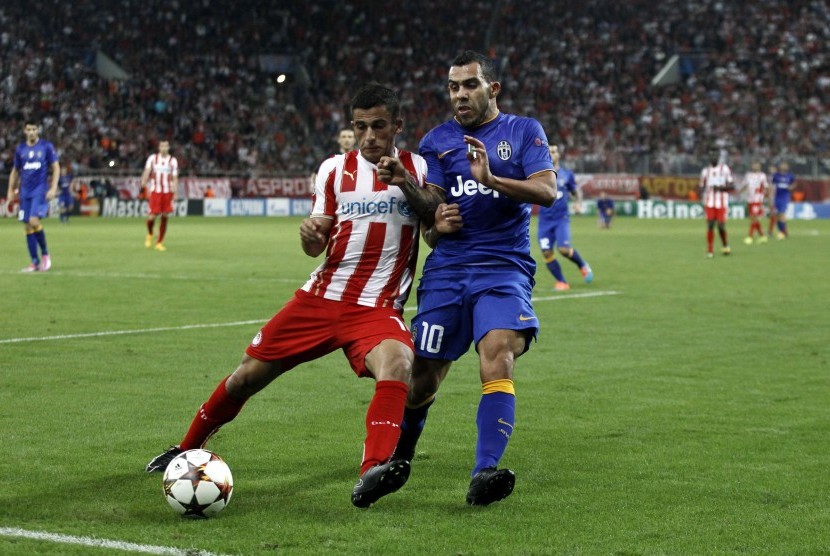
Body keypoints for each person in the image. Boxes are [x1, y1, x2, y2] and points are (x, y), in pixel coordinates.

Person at [147, 83, 449, 509]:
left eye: (378, 126)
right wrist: (309, 235)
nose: (368, 136)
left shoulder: (419, 168)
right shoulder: (332, 170)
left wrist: (402, 183)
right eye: (360, 127)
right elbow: (315, 242)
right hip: (321, 299)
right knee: (247, 376)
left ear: (397, 126)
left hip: (377, 307)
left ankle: (373, 472)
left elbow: (434, 220)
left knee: (399, 364)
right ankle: (184, 448)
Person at [392, 50, 556, 506]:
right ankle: (400, 459)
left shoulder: (523, 131)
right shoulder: (437, 141)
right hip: (448, 271)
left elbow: (547, 190)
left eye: (469, 85)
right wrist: (431, 219)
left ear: (492, 89)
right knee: (422, 375)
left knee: (498, 353)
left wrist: (492, 178)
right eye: (453, 87)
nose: (460, 95)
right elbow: (432, 214)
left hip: (503, 269)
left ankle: (485, 471)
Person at [537, 144, 594, 291]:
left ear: (559, 155)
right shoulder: (538, 174)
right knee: (547, 252)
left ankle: (582, 265)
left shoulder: (566, 174)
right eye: (548, 152)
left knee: (563, 249)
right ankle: (562, 282)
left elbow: (576, 192)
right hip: (544, 221)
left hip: (561, 219)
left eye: (554, 151)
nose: (551, 154)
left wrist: (578, 203)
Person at [7, 120, 60, 272]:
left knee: (34, 220)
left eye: (34, 129)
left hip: (40, 190)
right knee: (27, 226)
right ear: (25, 131)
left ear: (38, 130)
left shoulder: (46, 147)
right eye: (29, 129)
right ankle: (34, 262)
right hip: (25, 191)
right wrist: (11, 190)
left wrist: (53, 187)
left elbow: (56, 167)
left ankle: (45, 254)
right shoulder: (20, 149)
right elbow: (15, 170)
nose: (31, 132)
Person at [141, 140, 178, 251]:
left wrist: (175, 192)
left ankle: (159, 242)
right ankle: (150, 233)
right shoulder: (152, 158)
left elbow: (175, 178)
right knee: (152, 216)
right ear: (159, 147)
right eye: (162, 146)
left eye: (166, 146)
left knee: (165, 216)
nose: (164, 148)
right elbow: (147, 170)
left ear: (168, 147)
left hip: (167, 191)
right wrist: (144, 180)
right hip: (155, 191)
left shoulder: (173, 160)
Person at [699, 147, 735, 258]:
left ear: (718, 157)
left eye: (715, 155)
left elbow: (731, 185)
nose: (713, 157)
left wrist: (720, 188)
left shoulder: (724, 169)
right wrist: (703, 192)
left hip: (722, 202)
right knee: (710, 224)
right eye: (711, 155)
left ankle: (725, 244)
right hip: (709, 202)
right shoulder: (705, 171)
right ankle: (710, 250)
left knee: (721, 226)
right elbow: (701, 186)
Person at [308, 128, 357, 192]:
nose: (347, 140)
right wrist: (312, 184)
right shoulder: (331, 157)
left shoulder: (360, 157)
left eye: (350, 137)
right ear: (339, 140)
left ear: (354, 140)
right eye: (343, 137)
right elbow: (315, 173)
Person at [740, 161, 770, 244]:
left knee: (754, 217)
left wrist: (767, 197)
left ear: (760, 166)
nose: (755, 166)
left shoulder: (762, 176)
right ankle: (762, 236)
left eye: (757, 165)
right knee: (753, 218)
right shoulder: (748, 175)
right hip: (750, 199)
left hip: (757, 199)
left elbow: (766, 187)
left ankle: (750, 236)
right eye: (754, 165)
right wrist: (739, 191)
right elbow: (745, 185)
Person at [769, 161, 796, 240]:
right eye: (782, 164)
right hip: (777, 197)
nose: (784, 166)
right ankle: (784, 232)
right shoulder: (776, 176)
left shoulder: (790, 176)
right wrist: (770, 196)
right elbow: (772, 185)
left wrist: (791, 187)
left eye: (785, 165)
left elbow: (794, 183)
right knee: (777, 216)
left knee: (782, 214)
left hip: (784, 197)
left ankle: (782, 232)